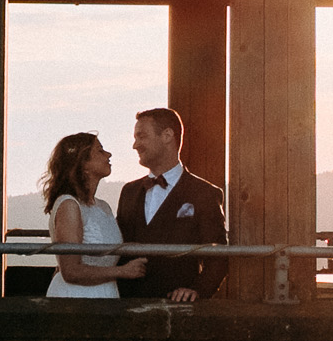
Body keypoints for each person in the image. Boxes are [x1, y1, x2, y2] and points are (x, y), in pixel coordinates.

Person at [115, 107, 227, 302]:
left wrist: (197, 290)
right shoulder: (129, 192)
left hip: (177, 308)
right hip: (126, 303)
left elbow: (218, 256)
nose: (135, 145)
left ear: (167, 135)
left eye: (141, 136)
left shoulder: (205, 193)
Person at [41, 133, 146, 299]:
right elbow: (70, 271)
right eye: (100, 150)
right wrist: (122, 272)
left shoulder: (103, 206)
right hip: (75, 298)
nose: (108, 155)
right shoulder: (69, 205)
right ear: (83, 163)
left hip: (107, 294)